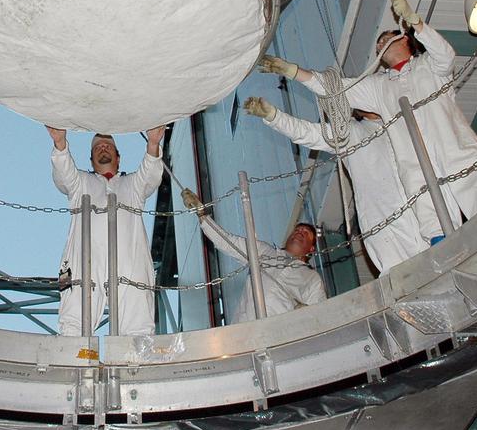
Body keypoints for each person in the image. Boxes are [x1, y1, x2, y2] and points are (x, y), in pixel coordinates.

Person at [263, 0, 477, 243]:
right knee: (426, 202)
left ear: (405, 39)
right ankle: (441, 244)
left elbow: (446, 55)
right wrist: (294, 72)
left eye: (385, 39)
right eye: (378, 46)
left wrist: (415, 21)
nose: (380, 46)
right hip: (415, 162)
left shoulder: (429, 66)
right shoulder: (378, 86)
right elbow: (337, 89)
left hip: (452, 144)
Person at [240, 97, 427, 273]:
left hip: (425, 212)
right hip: (386, 226)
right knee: (403, 276)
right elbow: (308, 133)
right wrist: (274, 116)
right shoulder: (351, 133)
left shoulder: (402, 123)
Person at [47, 126, 165, 337]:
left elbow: (151, 175)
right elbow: (63, 175)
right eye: (98, 147)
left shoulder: (132, 184)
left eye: (108, 146)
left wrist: (153, 144)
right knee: (74, 320)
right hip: (84, 260)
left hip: (129, 259)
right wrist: (60, 143)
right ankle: (73, 354)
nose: (103, 148)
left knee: (137, 319)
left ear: (118, 157)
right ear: (91, 160)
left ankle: (136, 355)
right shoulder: (81, 182)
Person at [180, 188, 326, 322]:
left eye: (306, 233)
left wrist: (304, 316)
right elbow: (227, 242)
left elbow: (320, 315)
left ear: (312, 248)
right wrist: (201, 214)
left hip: (280, 334)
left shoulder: (312, 278)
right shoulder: (265, 251)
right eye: (297, 230)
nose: (300, 232)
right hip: (244, 329)